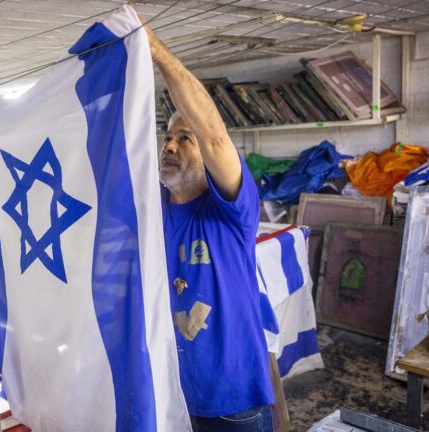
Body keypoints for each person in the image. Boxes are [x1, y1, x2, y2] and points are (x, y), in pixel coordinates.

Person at [144, 24, 275, 432]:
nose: (170, 146)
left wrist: (157, 54)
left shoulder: (232, 211)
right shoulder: (152, 213)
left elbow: (215, 137)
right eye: (168, 138)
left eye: (186, 139)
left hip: (232, 402)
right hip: (171, 399)